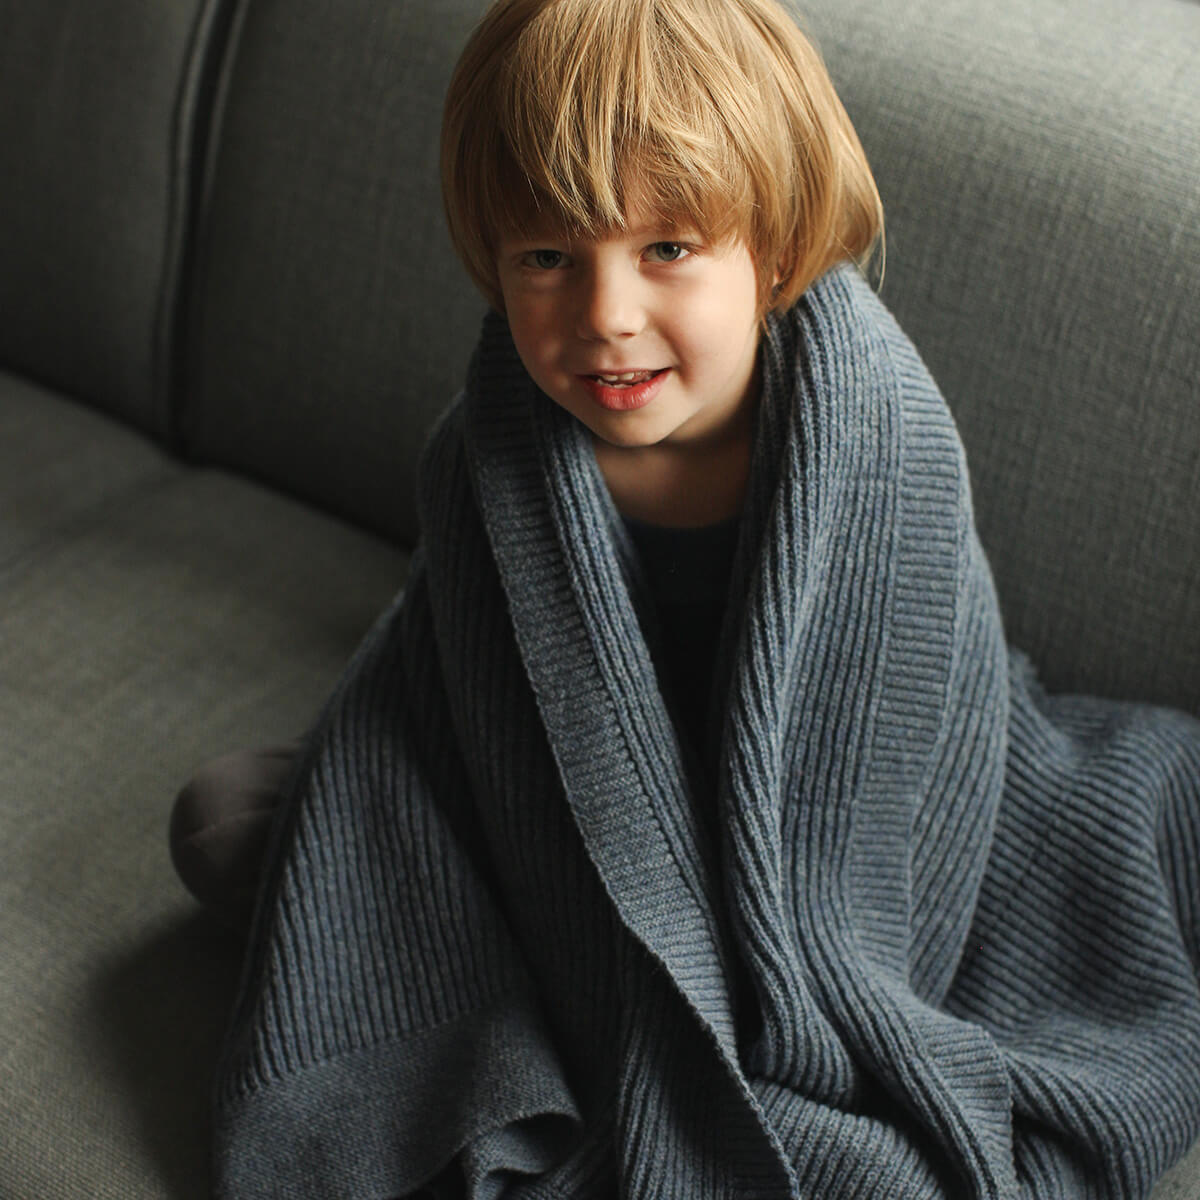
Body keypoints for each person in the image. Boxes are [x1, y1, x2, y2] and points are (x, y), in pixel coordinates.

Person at [199, 0, 1200, 1196]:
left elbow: (891, 755)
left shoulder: (875, 434)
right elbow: (465, 683)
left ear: (772, 253)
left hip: (813, 802)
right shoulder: (489, 457)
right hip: (600, 795)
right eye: (548, 258)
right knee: (252, 824)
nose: (606, 316)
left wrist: (783, 958)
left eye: (667, 249)